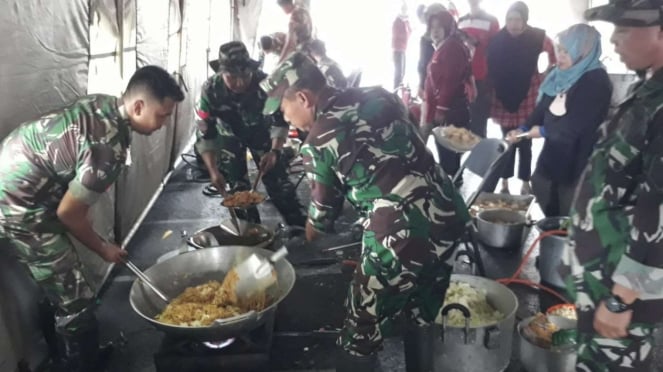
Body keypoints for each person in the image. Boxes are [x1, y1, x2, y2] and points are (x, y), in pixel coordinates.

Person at [260, 52, 470, 371]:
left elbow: (322, 219)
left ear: (303, 98)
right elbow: (408, 147)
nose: (284, 120)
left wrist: (305, 235)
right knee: (422, 311)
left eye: (284, 112)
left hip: (399, 234)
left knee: (361, 329)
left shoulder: (317, 143)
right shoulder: (379, 94)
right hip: (448, 211)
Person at [0, 65, 185, 371]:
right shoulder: (106, 149)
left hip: (20, 180)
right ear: (138, 106)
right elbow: (69, 214)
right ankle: (80, 364)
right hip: (18, 203)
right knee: (75, 299)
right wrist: (104, 248)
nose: (164, 124)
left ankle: (64, 344)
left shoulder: (105, 105)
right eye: (162, 115)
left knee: (62, 280)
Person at [559, 1, 663, 370]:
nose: (614, 39)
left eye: (624, 29)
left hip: (622, 288)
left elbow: (659, 213)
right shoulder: (648, 89)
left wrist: (622, 298)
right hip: (603, 276)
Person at [197, 41, 306, 227]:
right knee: (238, 192)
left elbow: (279, 121)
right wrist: (213, 171)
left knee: (278, 182)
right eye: (232, 77)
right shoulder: (210, 90)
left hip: (262, 135)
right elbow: (206, 134)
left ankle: (299, 227)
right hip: (228, 139)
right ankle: (251, 233)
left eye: (245, 76)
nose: (239, 83)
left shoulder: (265, 84)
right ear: (222, 72)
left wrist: (275, 151)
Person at [507, 24, 612, 217]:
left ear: (582, 51)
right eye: (559, 51)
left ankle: (563, 240)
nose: (560, 57)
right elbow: (542, 108)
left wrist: (543, 131)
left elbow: (575, 125)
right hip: (554, 154)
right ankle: (554, 230)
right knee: (542, 188)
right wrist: (523, 128)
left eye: (566, 51)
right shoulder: (558, 75)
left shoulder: (596, 81)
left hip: (579, 158)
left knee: (570, 209)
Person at [487, 1, 555, 195]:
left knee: (525, 142)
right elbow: (488, 64)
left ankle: (525, 183)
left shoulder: (536, 37)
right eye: (509, 20)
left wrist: (546, 75)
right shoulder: (498, 39)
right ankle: (505, 183)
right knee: (507, 142)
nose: (514, 24)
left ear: (525, 20)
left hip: (528, 96)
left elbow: (554, 52)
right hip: (503, 98)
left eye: (517, 19)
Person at [422, 9, 473, 181]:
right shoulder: (442, 47)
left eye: (439, 26)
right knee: (447, 153)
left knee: (449, 153)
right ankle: (451, 187)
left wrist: (441, 109)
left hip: (451, 109)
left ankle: (452, 193)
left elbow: (449, 80)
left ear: (448, 28)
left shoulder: (451, 48)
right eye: (432, 27)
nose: (435, 31)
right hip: (446, 108)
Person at [458, 0, 499, 139]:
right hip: (461, 80)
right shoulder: (460, 21)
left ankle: (479, 159)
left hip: (481, 80)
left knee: (478, 128)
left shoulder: (491, 21)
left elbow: (496, 52)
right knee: (461, 127)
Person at [392, 2, 412, 89]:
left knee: (402, 72)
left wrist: (407, 23)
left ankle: (399, 91)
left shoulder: (406, 21)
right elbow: (398, 35)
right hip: (397, 49)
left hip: (403, 49)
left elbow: (410, 32)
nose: (405, 10)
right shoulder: (397, 21)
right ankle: (396, 92)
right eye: (403, 8)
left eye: (406, 8)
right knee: (398, 74)